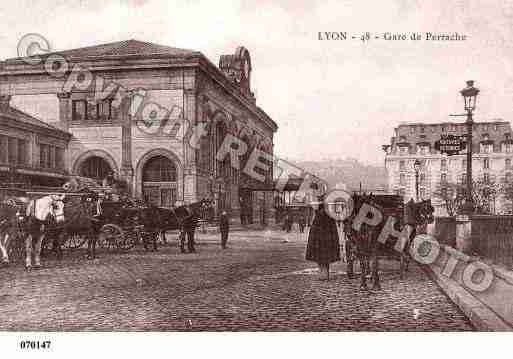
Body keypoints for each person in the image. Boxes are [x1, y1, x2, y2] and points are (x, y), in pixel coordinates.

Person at [305, 198, 340, 280]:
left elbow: (314, 230)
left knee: (320, 259)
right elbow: (333, 230)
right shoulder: (329, 216)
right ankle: (325, 274)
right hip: (327, 241)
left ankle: (322, 274)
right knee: (326, 259)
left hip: (319, 242)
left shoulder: (318, 216)